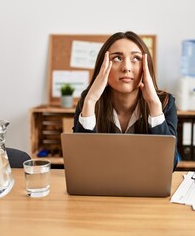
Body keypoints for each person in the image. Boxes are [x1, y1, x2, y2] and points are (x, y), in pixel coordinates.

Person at [73, 31, 179, 170]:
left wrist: (154, 106)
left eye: (136, 58)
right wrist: (90, 101)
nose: (126, 68)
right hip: (100, 189)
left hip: (145, 188)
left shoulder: (164, 102)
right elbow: (80, 164)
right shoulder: (89, 101)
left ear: (146, 66)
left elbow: (169, 166)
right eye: (117, 58)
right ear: (102, 66)